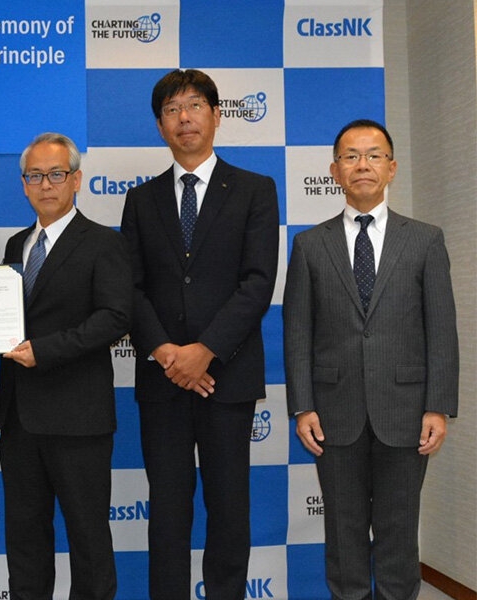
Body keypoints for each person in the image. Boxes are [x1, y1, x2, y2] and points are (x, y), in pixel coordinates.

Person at [119, 68, 279, 599]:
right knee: (167, 510)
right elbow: (130, 287)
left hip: (226, 378)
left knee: (229, 508)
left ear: (216, 115)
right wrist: (167, 352)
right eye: (171, 109)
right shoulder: (141, 200)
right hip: (162, 380)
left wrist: (205, 350)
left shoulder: (255, 190)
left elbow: (258, 282)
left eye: (193, 106)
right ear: (160, 125)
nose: (183, 117)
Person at [283, 119, 458, 600]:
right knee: (343, 537)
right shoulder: (309, 245)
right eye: (351, 156)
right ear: (335, 170)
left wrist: (438, 406)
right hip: (333, 414)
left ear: (391, 168)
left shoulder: (424, 240)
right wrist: (303, 406)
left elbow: (442, 329)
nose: (363, 164)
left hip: (406, 413)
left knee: (399, 536)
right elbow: (297, 332)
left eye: (374, 155)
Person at [0, 132, 131, 600]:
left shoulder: (103, 243)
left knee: (88, 540)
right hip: (19, 418)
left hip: (79, 419)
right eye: (35, 176)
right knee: (25, 540)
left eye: (56, 174)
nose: (46, 185)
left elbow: (116, 318)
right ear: (23, 185)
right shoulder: (16, 244)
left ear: (76, 180)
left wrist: (46, 350)